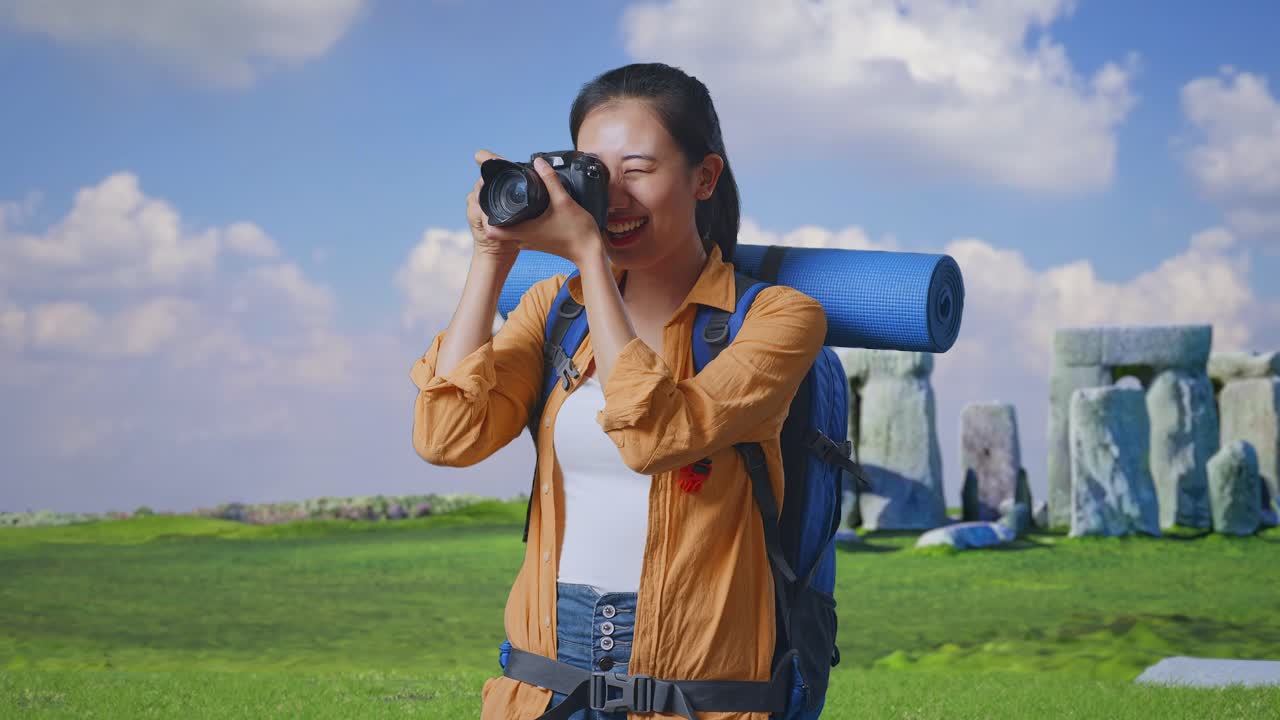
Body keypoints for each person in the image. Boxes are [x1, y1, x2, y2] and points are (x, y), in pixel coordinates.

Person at [410, 62, 827, 720]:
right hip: (542, 684)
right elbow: (446, 438)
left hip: (697, 694)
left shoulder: (780, 319)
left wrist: (589, 260)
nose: (612, 199)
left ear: (704, 177)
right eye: (593, 174)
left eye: (637, 169)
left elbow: (656, 436)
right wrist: (492, 255)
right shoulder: (555, 310)